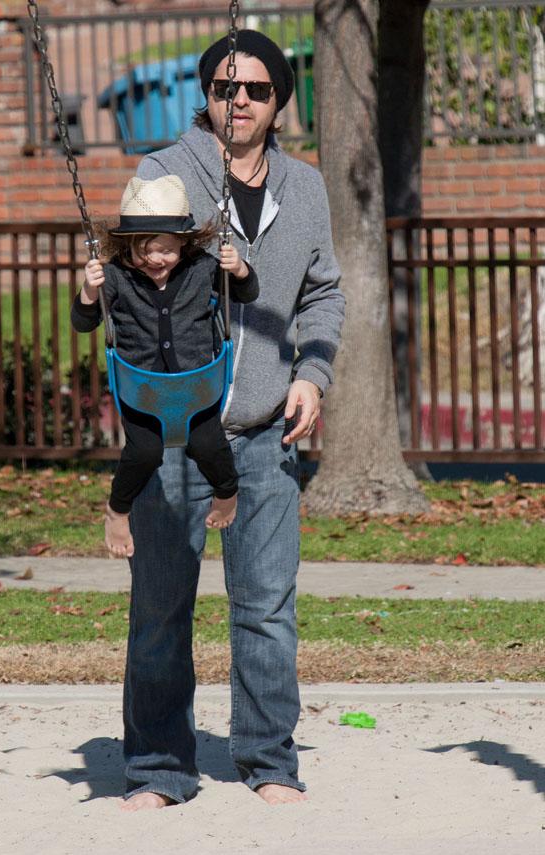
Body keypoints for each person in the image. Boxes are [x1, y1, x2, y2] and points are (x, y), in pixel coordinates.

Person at [122, 29, 345, 810]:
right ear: (206, 95)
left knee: (265, 610)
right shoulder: (164, 172)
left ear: (280, 98)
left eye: (254, 88)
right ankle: (157, 767)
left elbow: (323, 293)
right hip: (175, 432)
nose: (238, 100)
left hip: (263, 433)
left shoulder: (307, 187)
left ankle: (268, 758)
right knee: (158, 609)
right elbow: (130, 276)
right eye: (224, 87)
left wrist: (312, 374)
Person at [71, 175, 259, 556]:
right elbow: (82, 322)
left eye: (167, 250)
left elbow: (247, 293)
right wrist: (89, 292)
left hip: (197, 384)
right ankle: (117, 510)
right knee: (144, 452)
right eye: (145, 250)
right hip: (141, 387)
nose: (156, 259)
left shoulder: (203, 268)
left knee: (209, 445)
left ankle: (226, 493)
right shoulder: (116, 278)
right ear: (127, 246)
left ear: (184, 245)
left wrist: (238, 269)